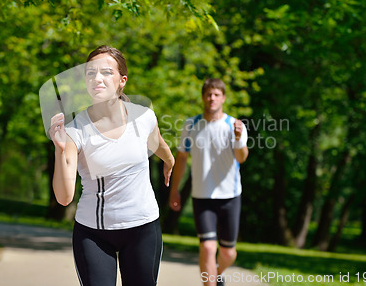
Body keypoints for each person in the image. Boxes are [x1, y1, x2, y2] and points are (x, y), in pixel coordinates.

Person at [49, 45, 175, 286]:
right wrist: (59, 147)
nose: (97, 78)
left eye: (106, 72)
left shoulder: (144, 117)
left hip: (143, 228)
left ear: (122, 81)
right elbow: (64, 198)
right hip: (94, 234)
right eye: (90, 73)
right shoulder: (75, 131)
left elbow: (157, 142)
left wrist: (169, 160)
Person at [169, 78, 249, 286]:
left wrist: (239, 138)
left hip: (230, 197)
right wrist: (174, 190)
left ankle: (217, 274)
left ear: (223, 98)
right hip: (202, 196)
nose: (212, 98)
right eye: (208, 94)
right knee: (207, 248)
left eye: (216, 94)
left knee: (229, 253)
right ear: (203, 97)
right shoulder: (190, 125)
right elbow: (182, 159)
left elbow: (241, 157)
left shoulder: (234, 125)